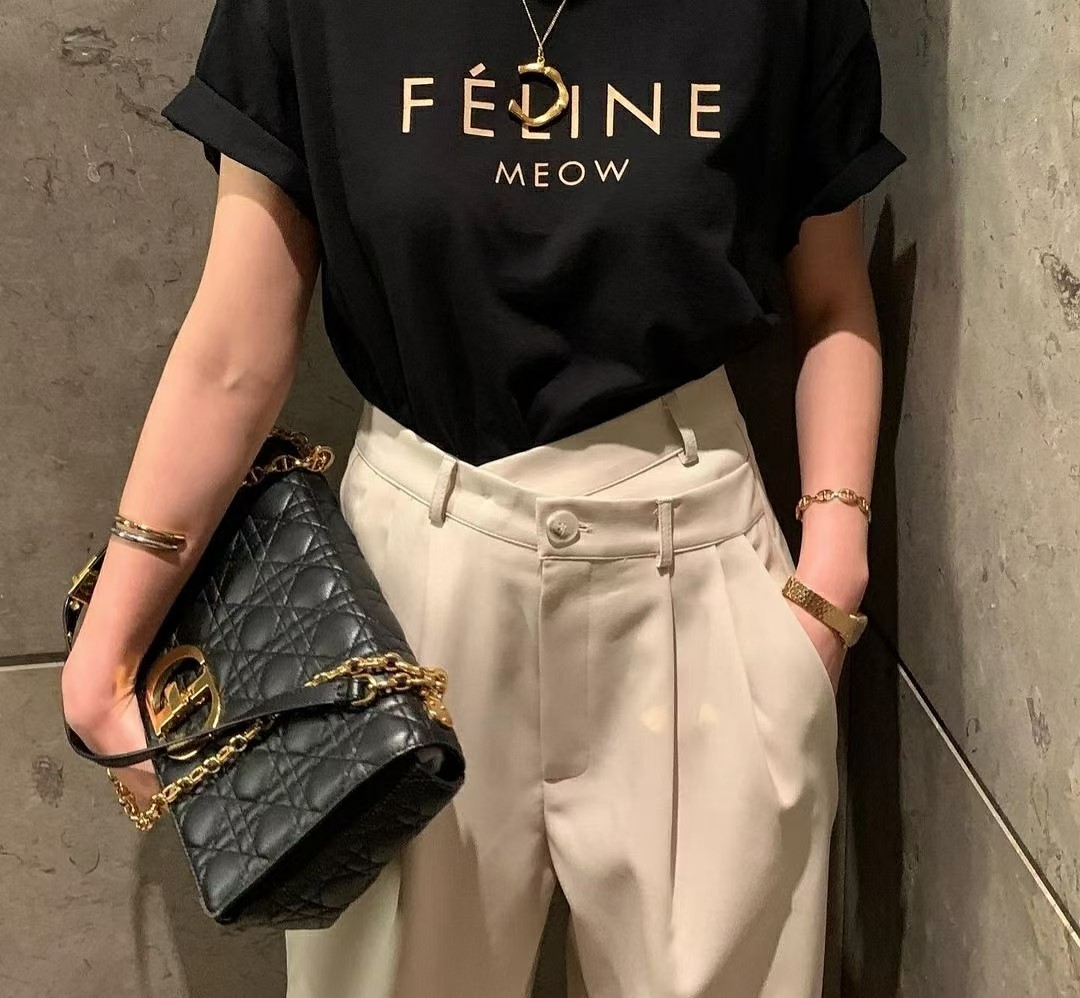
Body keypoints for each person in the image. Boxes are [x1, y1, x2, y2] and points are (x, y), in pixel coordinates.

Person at [61, 0, 906, 994]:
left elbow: (833, 298)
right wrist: (111, 642)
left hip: (699, 563)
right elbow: (235, 349)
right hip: (409, 599)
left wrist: (829, 583)